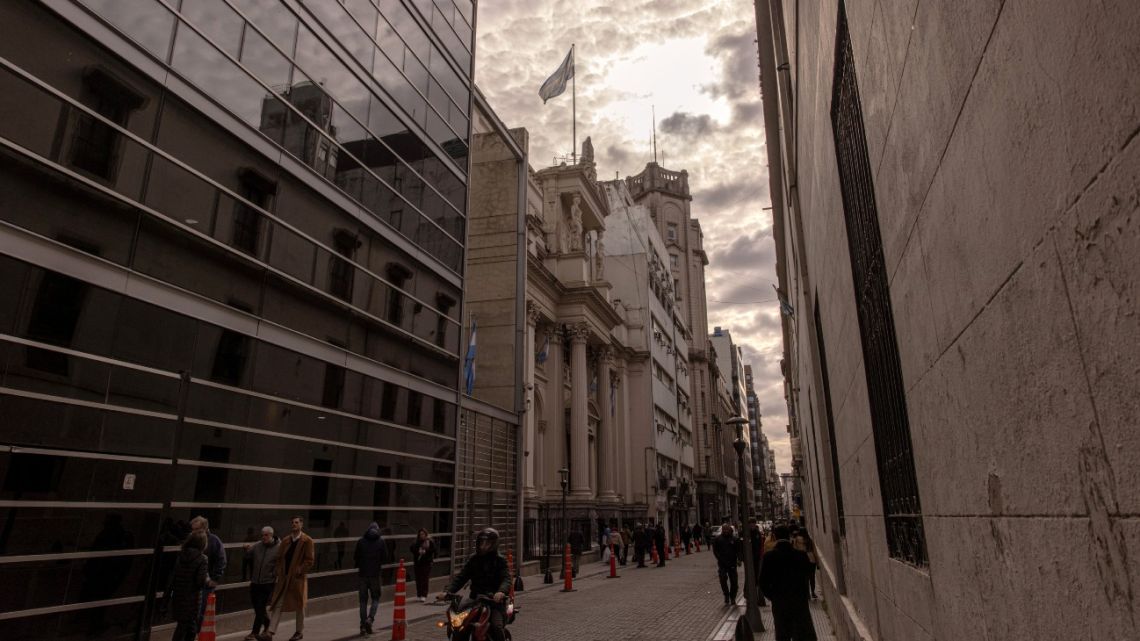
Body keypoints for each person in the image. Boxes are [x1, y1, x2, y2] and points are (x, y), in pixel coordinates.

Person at [440, 528, 511, 641]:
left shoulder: (500, 560)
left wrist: (501, 592)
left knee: (496, 626)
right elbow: (461, 577)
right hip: (475, 601)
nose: (483, 546)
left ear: (494, 544)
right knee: (459, 625)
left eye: (487, 543)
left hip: (494, 602)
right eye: (481, 542)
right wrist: (448, 591)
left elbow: (506, 579)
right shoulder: (474, 559)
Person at [759, 525, 817, 641]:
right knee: (801, 633)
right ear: (789, 535)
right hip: (799, 601)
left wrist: (773, 596)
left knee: (782, 633)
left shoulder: (769, 557)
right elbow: (808, 574)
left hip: (780, 602)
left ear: (774, 536)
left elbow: (762, 582)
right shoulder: (800, 555)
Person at [263, 516, 314, 641]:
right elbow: (279, 558)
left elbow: (310, 560)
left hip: (297, 580)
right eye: (292, 522)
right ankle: (270, 632)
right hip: (284, 579)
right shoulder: (286, 540)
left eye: (296, 522)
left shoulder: (307, 540)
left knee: (299, 606)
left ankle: (299, 631)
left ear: (301, 525)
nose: (294, 524)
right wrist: (280, 571)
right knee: (278, 604)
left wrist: (300, 570)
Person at [169, 532, 209, 641]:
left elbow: (173, 576)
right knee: (187, 628)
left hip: (179, 596)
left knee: (186, 627)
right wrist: (207, 580)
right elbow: (200, 581)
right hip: (192, 599)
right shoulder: (202, 559)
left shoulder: (181, 555)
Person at [190, 516, 226, 636]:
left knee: (201, 610)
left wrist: (214, 579)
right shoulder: (193, 540)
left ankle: (196, 633)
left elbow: (221, 560)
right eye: (192, 529)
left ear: (204, 528)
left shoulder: (214, 541)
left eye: (196, 529)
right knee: (191, 610)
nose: (193, 532)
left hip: (206, 583)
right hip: (193, 582)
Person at [245, 526, 280, 641]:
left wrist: (273, 574)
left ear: (271, 535)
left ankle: (254, 633)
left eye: (266, 535)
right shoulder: (258, 545)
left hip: (267, 583)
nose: (263, 537)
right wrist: (246, 548)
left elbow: (280, 563)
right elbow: (249, 553)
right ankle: (268, 623)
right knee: (257, 607)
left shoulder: (278, 547)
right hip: (255, 582)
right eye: (262, 535)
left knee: (260, 607)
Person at [354, 522, 386, 635]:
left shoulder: (361, 541)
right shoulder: (381, 541)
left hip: (363, 575)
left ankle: (363, 626)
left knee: (363, 601)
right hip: (375, 575)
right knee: (376, 599)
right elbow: (384, 557)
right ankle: (370, 619)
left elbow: (356, 557)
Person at [713, 524, 741, 605]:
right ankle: (726, 595)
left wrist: (739, 559)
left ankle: (733, 597)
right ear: (722, 530)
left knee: (734, 582)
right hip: (722, 564)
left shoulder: (734, 539)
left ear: (729, 530)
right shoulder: (718, 539)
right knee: (722, 579)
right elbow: (715, 551)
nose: (725, 531)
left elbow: (738, 550)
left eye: (727, 529)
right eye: (724, 529)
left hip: (732, 563)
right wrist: (719, 558)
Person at [410, 528, 437, 603]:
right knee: (418, 579)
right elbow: (412, 549)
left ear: (426, 534)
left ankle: (424, 594)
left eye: (423, 534)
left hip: (426, 563)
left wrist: (426, 551)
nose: (421, 535)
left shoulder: (429, 541)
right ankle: (419, 594)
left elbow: (434, 550)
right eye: (420, 534)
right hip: (418, 562)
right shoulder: (416, 542)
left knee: (425, 578)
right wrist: (418, 551)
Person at [793, 528, 819, 599]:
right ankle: (813, 592)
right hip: (811, 560)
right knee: (812, 577)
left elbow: (795, 550)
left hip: (802, 561)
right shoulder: (810, 540)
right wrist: (818, 563)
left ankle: (807, 594)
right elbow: (815, 552)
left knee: (805, 578)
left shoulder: (796, 540)